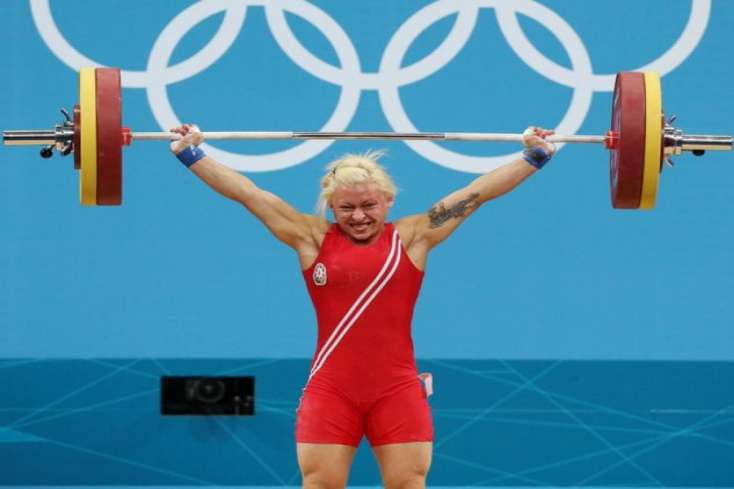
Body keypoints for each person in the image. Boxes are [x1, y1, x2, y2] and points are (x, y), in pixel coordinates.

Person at [169, 125, 555, 489]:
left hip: (396, 390)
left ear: (388, 200)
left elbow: (477, 194)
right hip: (331, 391)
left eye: (369, 205)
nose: (358, 217)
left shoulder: (413, 237)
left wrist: (533, 156)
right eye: (346, 208)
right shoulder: (311, 238)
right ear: (330, 206)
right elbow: (248, 194)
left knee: (408, 485)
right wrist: (191, 154)